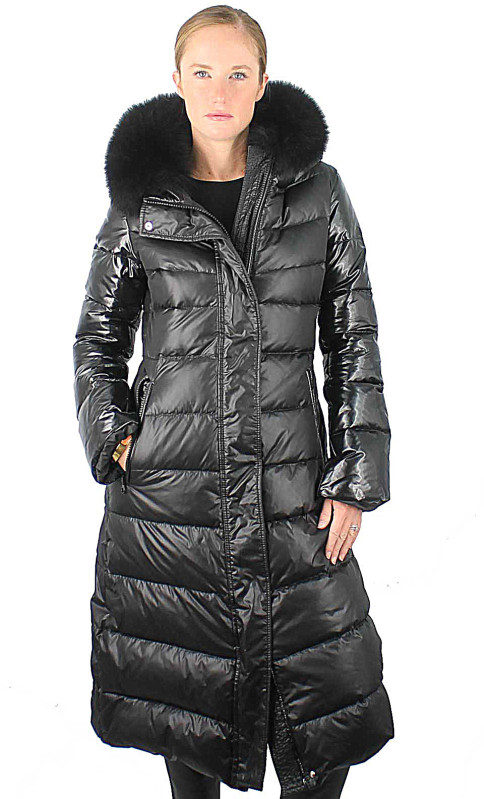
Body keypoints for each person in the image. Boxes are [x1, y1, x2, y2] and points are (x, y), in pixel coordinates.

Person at [73, 5, 393, 798]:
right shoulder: (141, 201)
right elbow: (98, 336)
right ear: (177, 80)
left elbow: (352, 334)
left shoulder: (317, 191)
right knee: (188, 701)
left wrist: (356, 474)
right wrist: (116, 437)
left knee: (328, 702)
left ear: (262, 82)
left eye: (238, 73)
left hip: (292, 490)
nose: (220, 90)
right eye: (203, 72)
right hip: (172, 498)